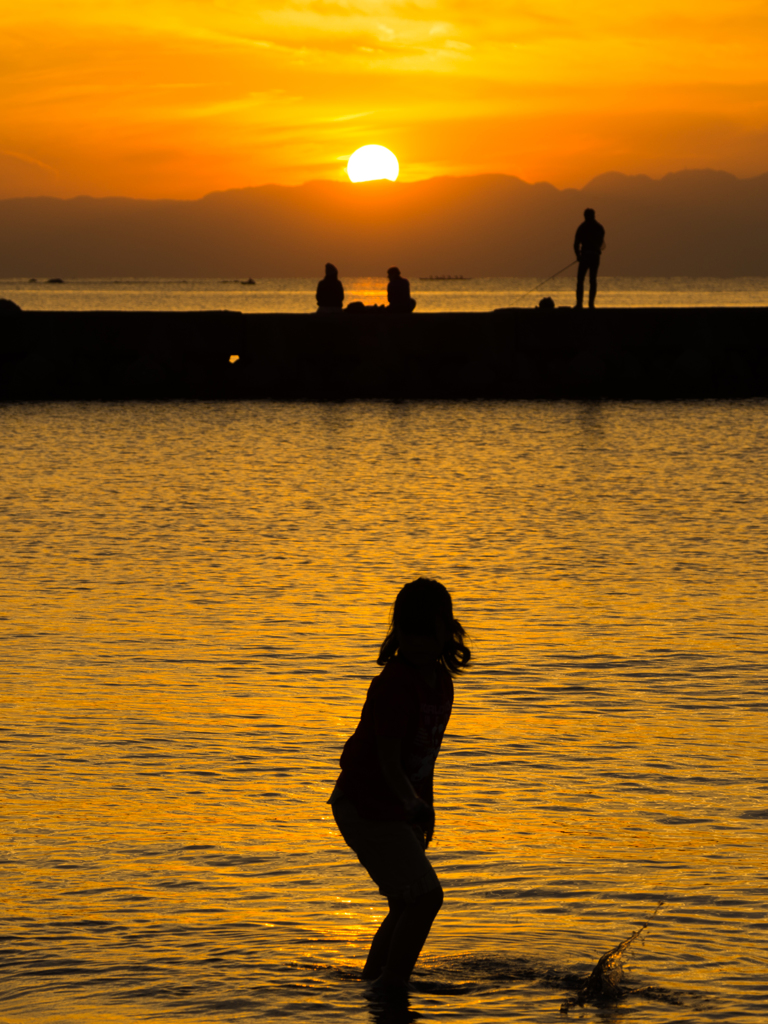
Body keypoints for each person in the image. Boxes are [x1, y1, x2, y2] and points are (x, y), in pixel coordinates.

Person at [329, 578, 470, 998]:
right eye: (408, 632)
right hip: (365, 804)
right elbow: (389, 762)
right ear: (397, 633)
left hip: (394, 807)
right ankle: (391, 989)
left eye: (428, 632)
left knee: (407, 902)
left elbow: (424, 758)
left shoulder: (441, 685)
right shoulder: (395, 683)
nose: (419, 642)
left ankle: (374, 982)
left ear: (447, 631)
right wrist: (410, 802)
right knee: (426, 899)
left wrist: (425, 807)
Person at [574, 208, 605, 309]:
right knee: (592, 279)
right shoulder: (599, 227)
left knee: (581, 280)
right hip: (594, 256)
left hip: (586, 256)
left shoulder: (582, 227)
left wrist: (578, 255)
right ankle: (590, 305)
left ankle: (580, 304)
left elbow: (576, 244)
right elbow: (601, 242)